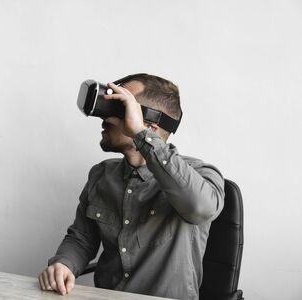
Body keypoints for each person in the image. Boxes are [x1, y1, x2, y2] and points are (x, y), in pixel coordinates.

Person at [38, 74, 225, 300]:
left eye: (119, 106)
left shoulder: (200, 176)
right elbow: (82, 238)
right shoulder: (102, 174)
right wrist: (65, 264)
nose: (104, 118)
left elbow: (200, 208)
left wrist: (140, 135)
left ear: (149, 124)